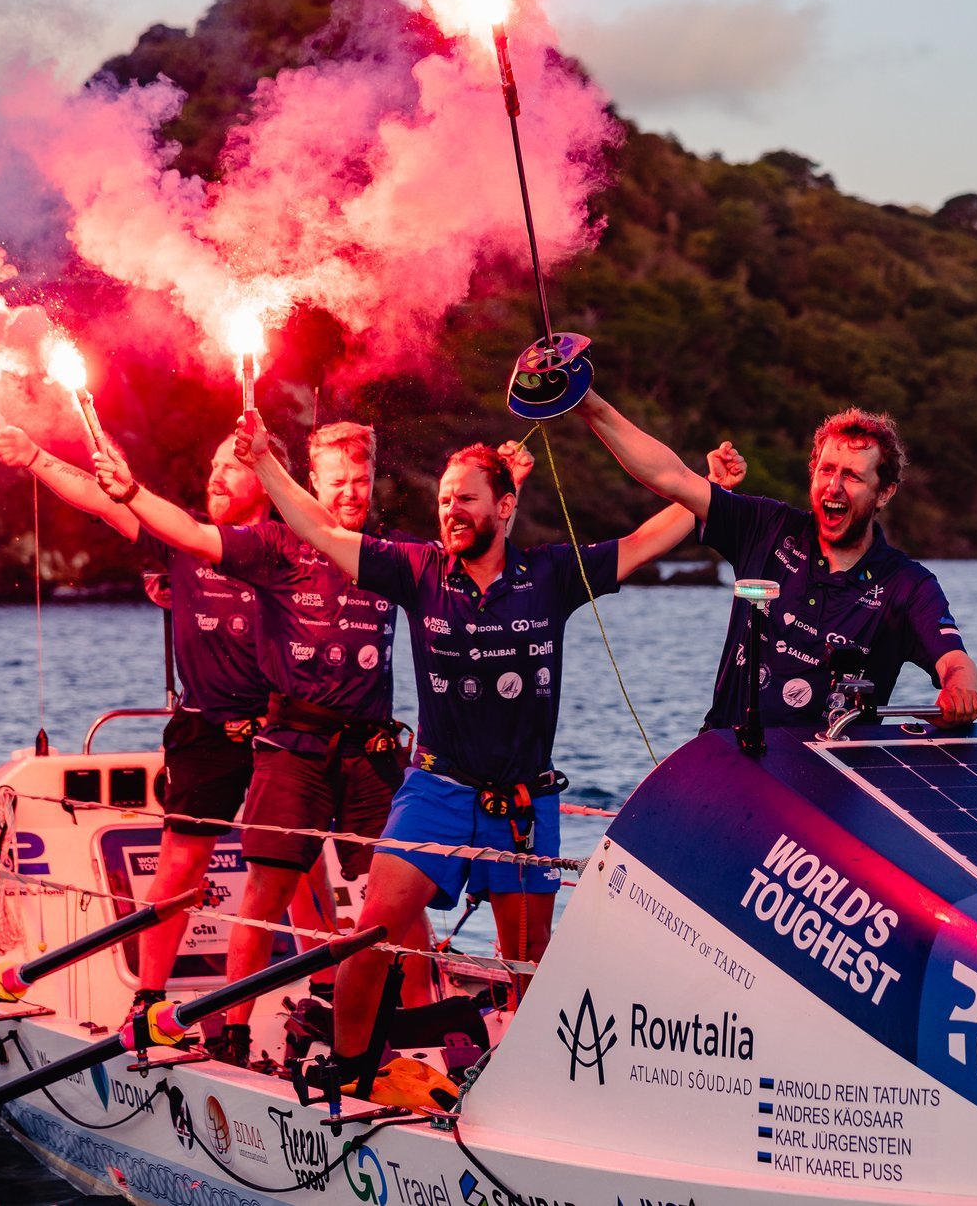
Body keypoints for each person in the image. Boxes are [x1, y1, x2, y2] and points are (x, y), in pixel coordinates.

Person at [232, 410, 740, 1092]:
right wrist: (266, 462)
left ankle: (531, 1092)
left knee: (527, 960)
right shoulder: (416, 570)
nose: (451, 511)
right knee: (368, 935)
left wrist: (709, 490)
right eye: (444, 501)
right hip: (435, 791)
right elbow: (322, 530)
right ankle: (350, 1077)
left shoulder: (551, 574)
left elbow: (647, 540)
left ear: (503, 506)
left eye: (466, 499)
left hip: (523, 801)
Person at [95, 420, 456, 1068]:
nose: (349, 493)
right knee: (265, 889)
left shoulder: (391, 557)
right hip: (293, 743)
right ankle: (233, 1028)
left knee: (405, 886)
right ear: (312, 482)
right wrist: (129, 491)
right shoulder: (278, 547)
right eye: (337, 481)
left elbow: (463, 564)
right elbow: (190, 535)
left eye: (360, 481)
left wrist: (504, 494)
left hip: (372, 750)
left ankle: (418, 1028)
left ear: (374, 484)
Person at [0, 425, 288, 1019]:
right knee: (179, 867)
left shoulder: (290, 547)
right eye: (212, 463)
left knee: (291, 873)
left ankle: (287, 1009)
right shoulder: (182, 539)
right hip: (206, 731)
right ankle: (148, 1004)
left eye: (233, 464)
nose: (217, 475)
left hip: (281, 731)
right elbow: (102, 498)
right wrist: (34, 455)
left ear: (269, 479)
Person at [572, 391, 977, 732]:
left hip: (831, 785)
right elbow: (671, 477)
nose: (834, 486)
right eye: (826, 470)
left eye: (853, 476)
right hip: (730, 760)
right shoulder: (767, 527)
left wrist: (961, 688)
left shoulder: (908, 585)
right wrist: (586, 401)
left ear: (885, 492)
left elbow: (955, 662)